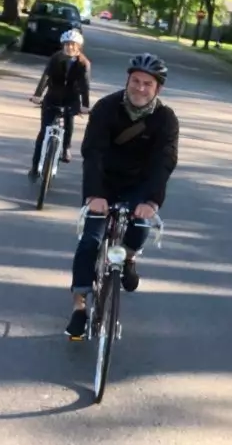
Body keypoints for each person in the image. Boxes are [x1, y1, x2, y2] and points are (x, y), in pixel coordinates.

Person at [65, 52, 179, 339]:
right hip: (103, 182)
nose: (140, 88)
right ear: (127, 81)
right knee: (90, 239)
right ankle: (79, 306)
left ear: (158, 89)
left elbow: (164, 160)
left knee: (140, 228)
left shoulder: (165, 119)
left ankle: (127, 258)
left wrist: (152, 201)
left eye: (147, 84)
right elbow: (92, 151)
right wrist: (94, 195)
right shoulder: (106, 107)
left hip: (139, 185)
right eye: (135, 81)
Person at [29, 28, 90, 175]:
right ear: (62, 45)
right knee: (43, 133)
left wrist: (85, 105)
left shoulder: (83, 63)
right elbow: (46, 77)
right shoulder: (55, 58)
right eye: (67, 44)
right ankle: (35, 166)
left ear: (78, 47)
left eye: (73, 45)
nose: (69, 47)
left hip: (71, 99)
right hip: (52, 98)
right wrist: (38, 94)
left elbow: (84, 85)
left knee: (69, 122)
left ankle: (66, 148)